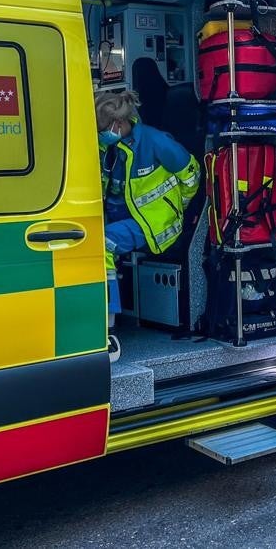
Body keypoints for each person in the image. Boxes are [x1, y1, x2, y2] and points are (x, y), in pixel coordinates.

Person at [97, 89, 200, 363]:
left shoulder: (155, 142)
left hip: (156, 223)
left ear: (118, 125)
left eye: (102, 129)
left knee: (102, 244)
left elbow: (191, 175)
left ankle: (107, 330)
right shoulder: (110, 147)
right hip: (124, 219)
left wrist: (177, 208)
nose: (100, 135)